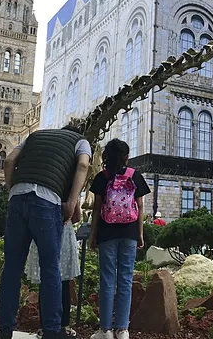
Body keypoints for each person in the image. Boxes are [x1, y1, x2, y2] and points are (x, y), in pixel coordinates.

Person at [0, 125, 91, 339]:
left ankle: (5, 329)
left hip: (18, 197)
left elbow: (10, 161)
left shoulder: (35, 136)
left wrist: (12, 192)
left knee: (11, 267)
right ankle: (51, 331)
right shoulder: (81, 142)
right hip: (47, 201)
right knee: (50, 269)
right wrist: (73, 201)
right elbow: (83, 166)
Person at [88, 139, 150, 339]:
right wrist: (140, 234)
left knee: (107, 279)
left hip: (107, 233)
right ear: (126, 157)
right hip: (129, 233)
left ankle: (105, 330)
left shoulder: (101, 177)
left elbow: (97, 209)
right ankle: (122, 330)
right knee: (125, 279)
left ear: (106, 157)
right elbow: (140, 208)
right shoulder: (135, 176)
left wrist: (93, 234)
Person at [25, 217, 81, 338]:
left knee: (45, 281)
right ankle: (63, 325)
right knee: (64, 282)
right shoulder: (68, 197)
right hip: (64, 233)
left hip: (43, 230)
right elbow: (76, 215)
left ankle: (45, 326)